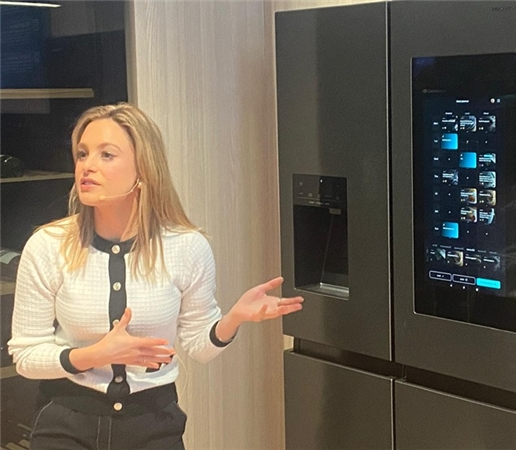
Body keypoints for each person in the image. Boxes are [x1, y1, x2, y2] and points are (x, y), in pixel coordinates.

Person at [7, 103, 303, 450]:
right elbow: (26, 357)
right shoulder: (48, 245)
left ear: (144, 168)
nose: (87, 165)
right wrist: (95, 355)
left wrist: (233, 319)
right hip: (66, 422)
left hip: (153, 423)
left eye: (106, 155)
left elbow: (199, 346)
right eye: (82, 154)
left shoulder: (187, 247)